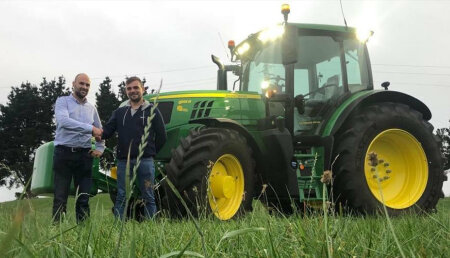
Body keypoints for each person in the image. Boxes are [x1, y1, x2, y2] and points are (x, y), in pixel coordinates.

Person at [102, 76, 166, 220]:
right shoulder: (119, 112)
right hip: (124, 161)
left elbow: (162, 136)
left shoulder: (152, 110)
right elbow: (107, 132)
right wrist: (91, 129)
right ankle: (118, 227)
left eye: (136, 87)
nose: (133, 91)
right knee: (122, 196)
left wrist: (150, 153)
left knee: (148, 195)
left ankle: (150, 226)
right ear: (126, 92)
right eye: (129, 88)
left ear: (142, 89)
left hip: (145, 161)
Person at [52, 73, 104, 224]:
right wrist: (90, 129)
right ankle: (58, 231)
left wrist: (100, 148)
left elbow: (99, 131)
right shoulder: (62, 102)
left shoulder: (91, 108)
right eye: (81, 83)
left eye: (87, 85)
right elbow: (63, 122)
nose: (84, 87)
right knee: (60, 197)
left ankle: (84, 232)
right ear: (73, 83)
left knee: (83, 198)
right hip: (64, 154)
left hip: (85, 155)